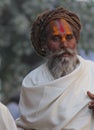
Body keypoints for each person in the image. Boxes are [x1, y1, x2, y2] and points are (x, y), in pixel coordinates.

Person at [16, 7, 94, 130]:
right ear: (43, 44)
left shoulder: (91, 71)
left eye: (69, 37)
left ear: (76, 40)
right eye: (56, 38)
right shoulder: (32, 82)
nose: (64, 44)